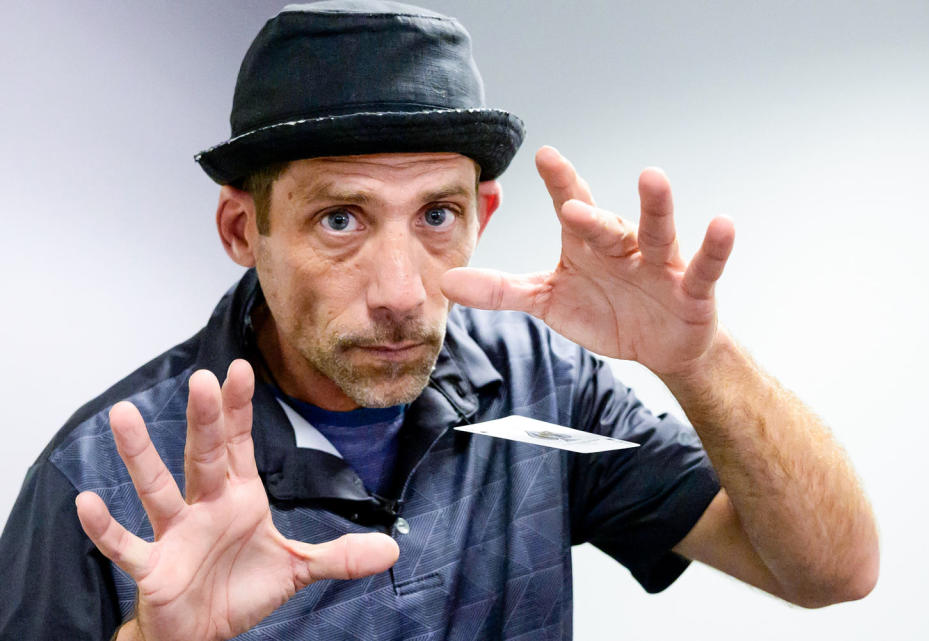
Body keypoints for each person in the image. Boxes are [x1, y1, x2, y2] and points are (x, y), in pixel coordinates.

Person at [0, 1, 878, 639]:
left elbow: (833, 572)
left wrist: (701, 360)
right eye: (338, 218)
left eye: (435, 216)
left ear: (483, 214)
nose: (401, 291)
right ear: (243, 230)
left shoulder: (546, 382)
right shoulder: (104, 473)